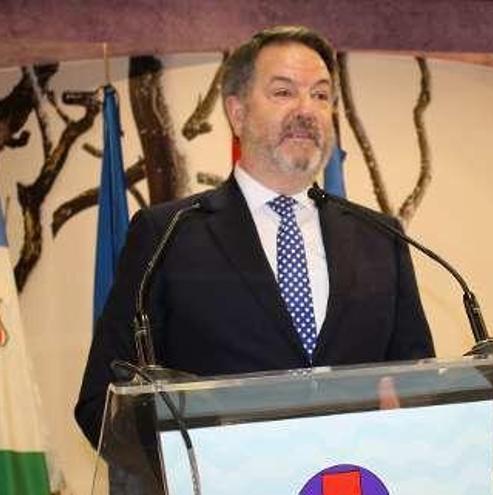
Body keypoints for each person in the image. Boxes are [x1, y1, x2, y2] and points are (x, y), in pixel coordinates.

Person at [75, 25, 435, 448]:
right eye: (284, 92)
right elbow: (104, 400)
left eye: (321, 95)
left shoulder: (380, 237)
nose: (307, 109)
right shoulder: (168, 234)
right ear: (237, 111)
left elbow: (420, 382)